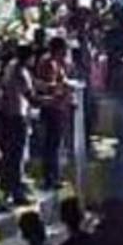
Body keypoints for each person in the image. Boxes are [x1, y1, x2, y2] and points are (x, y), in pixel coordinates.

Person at [34, 37, 73, 191]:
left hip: (58, 107)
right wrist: (62, 87)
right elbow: (49, 86)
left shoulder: (56, 63)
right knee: (51, 145)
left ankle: (54, 176)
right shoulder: (48, 63)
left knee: (54, 145)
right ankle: (50, 178)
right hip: (52, 108)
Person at [0, 45, 36, 205]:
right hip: (18, 116)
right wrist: (53, 99)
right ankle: (17, 193)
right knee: (18, 156)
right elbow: (31, 97)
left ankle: (7, 189)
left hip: (8, 115)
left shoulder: (10, 66)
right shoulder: (21, 72)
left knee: (10, 154)